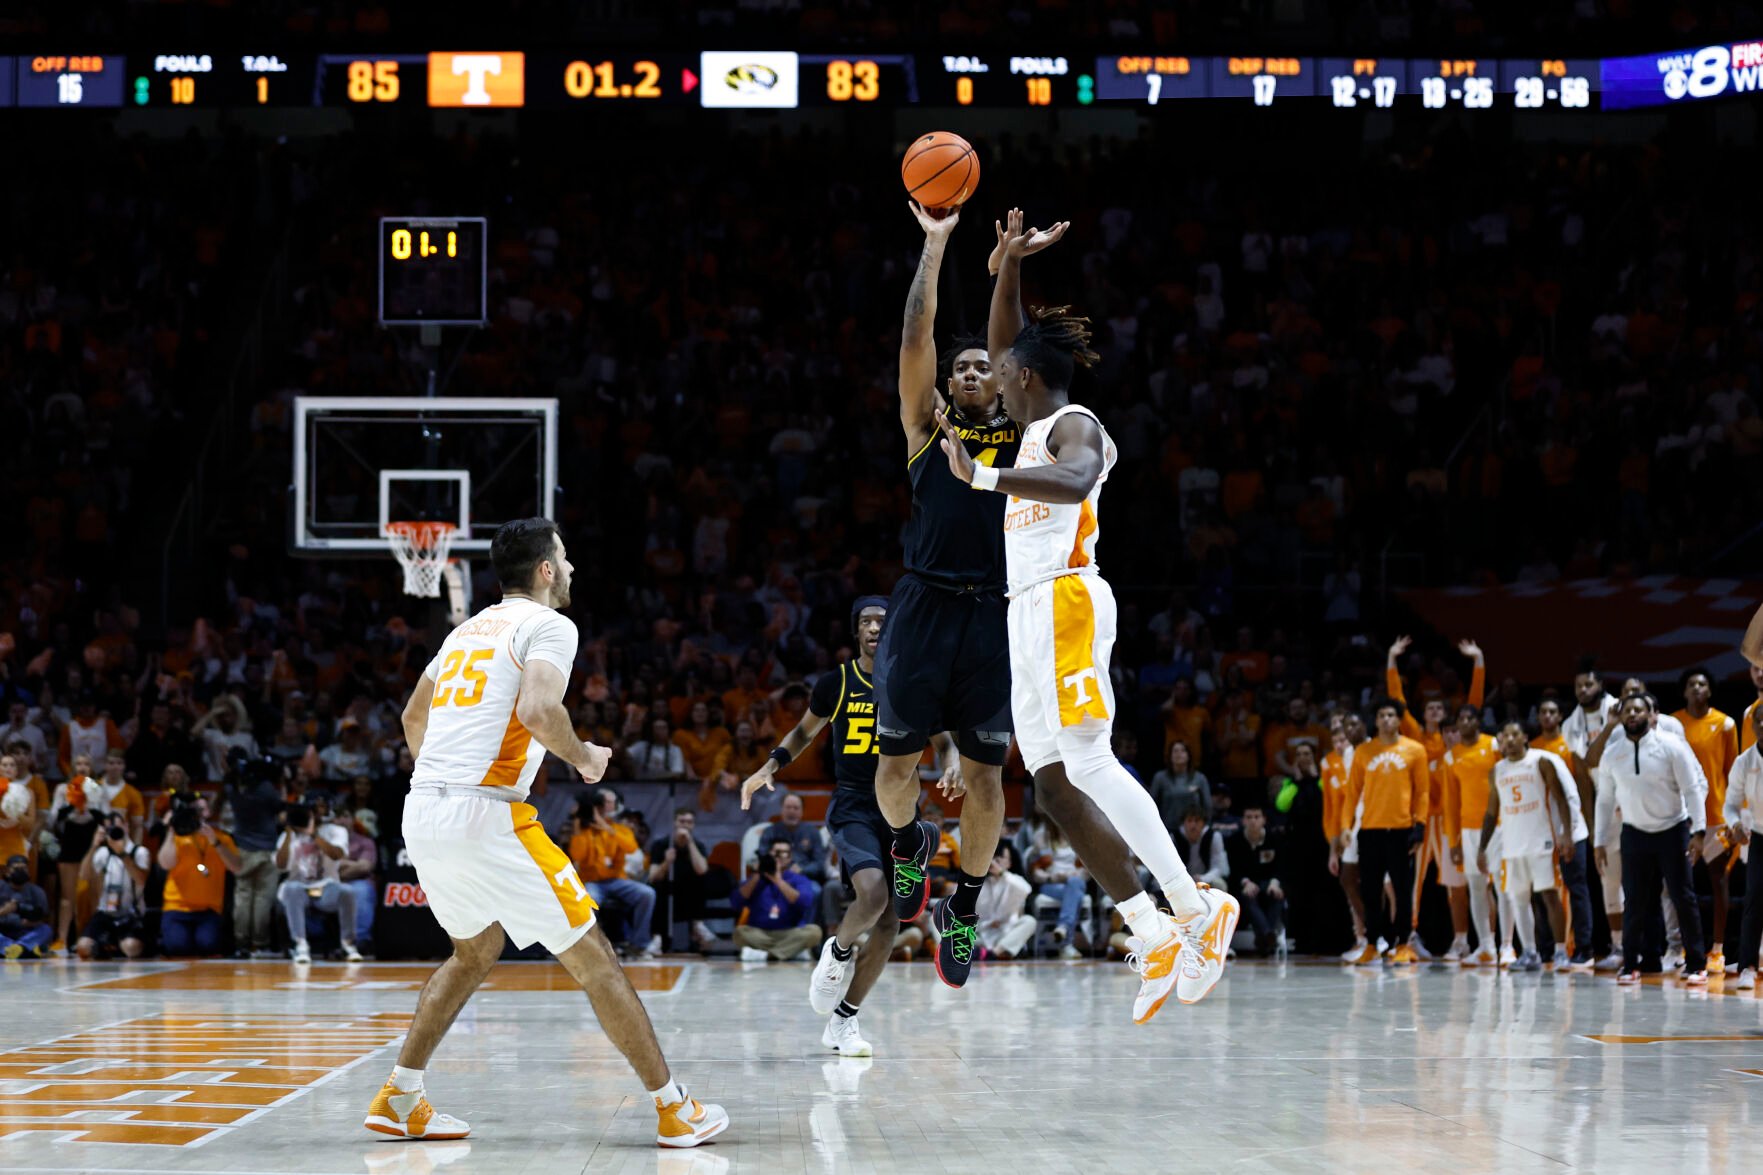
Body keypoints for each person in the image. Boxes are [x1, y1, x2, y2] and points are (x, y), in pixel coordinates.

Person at [929, 210, 1238, 1019]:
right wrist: (1004, 266)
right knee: (1056, 790)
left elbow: (1070, 485)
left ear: (1025, 379)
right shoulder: (1028, 420)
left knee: (1091, 762)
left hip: (1067, 598)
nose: (990, 378)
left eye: (1002, 374)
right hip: (1021, 612)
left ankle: (1196, 905)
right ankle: (1150, 927)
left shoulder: (1075, 427)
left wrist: (982, 481)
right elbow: (1008, 343)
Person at [367, 519, 727, 1147]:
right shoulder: (550, 625)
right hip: (488, 815)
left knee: (474, 952)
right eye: (565, 556)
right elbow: (538, 710)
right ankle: (675, 1110)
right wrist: (584, 756)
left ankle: (400, 1097)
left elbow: (411, 716)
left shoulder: (463, 632)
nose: (571, 568)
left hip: (423, 810)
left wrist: (447, 782)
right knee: (596, 960)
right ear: (545, 570)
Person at [872, 200, 1025, 991]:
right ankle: (907, 848)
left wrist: (1010, 270)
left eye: (980, 367)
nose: (967, 373)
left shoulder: (1024, 433)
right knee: (893, 774)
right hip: (925, 605)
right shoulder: (926, 429)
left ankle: (960, 905)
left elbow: (1017, 344)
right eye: (957, 367)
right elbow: (913, 339)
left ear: (997, 383)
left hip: (997, 612)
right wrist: (935, 246)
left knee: (990, 776)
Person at [742, 598, 956, 1057]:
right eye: (866, 621)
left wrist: (953, 764)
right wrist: (768, 768)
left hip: (900, 808)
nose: (875, 628)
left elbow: (943, 741)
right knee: (874, 894)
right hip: (855, 805)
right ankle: (837, 953)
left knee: (894, 919)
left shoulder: (913, 682)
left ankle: (845, 1020)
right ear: (856, 631)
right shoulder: (836, 682)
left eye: (882, 621)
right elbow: (802, 732)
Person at [1587, 694, 1710, 986]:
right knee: (1636, 901)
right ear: (1620, 716)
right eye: (1627, 710)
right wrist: (1600, 841)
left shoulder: (1671, 746)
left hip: (1673, 828)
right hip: (1634, 832)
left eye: (1638, 709)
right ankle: (1632, 964)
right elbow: (1604, 801)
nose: (1632, 714)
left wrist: (1699, 831)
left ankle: (1696, 963)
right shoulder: (1612, 753)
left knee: (1683, 897)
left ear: (1651, 715)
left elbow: (1692, 789)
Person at [1387, 636, 1485, 961]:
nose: (1434, 710)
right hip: (1419, 820)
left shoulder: (1454, 743)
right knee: (1413, 882)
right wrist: (1392, 659)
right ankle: (1410, 936)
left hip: (1448, 820)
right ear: (1423, 712)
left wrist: (1478, 661)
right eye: (1429, 707)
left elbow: (1475, 702)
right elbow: (1397, 700)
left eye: (1439, 708)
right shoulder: (1415, 737)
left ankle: (1461, 940)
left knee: (1455, 883)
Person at [1477, 723, 1573, 972]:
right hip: (1511, 845)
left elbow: (1561, 799)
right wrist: (1482, 847)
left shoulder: (1540, 761)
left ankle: (1560, 951)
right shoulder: (1497, 770)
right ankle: (1529, 952)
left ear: (1525, 737)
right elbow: (1490, 812)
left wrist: (1567, 835)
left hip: (1541, 841)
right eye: (1504, 735)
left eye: (1513, 734)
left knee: (1549, 895)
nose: (1508, 740)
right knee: (1518, 899)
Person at [1342, 698, 1429, 965]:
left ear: (1399, 719)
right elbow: (1353, 792)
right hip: (1370, 829)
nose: (1386, 719)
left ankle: (1403, 943)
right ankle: (1372, 944)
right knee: (1370, 891)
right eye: (1381, 715)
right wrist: (1346, 826)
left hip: (1401, 829)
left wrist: (1420, 826)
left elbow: (1422, 791)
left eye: (1391, 715)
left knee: (1402, 891)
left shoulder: (1414, 750)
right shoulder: (1364, 751)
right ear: (1376, 720)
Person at [1671, 667, 1738, 974]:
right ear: (1684, 691)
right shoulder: (1673, 724)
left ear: (1710, 690)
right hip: (1683, 819)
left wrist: (1736, 814)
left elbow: (1730, 772)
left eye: (1702, 684)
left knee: (1719, 880)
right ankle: (1685, 946)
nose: (1697, 688)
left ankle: (1718, 949)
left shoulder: (1725, 723)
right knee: (1681, 886)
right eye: (1691, 684)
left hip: (1716, 817)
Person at [1530, 699, 1595, 970]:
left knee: (1576, 890)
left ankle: (1584, 948)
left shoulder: (1564, 751)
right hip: (1543, 834)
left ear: (1560, 716)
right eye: (1542, 711)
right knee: (1543, 891)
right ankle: (1545, 949)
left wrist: (1570, 833)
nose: (1547, 715)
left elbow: (1573, 795)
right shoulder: (1531, 750)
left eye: (1552, 711)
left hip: (1570, 831)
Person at [1441, 705, 1502, 966]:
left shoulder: (1495, 746)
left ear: (1479, 721)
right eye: (1460, 719)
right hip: (1467, 830)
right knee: (1476, 888)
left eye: (1469, 718)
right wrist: (1453, 840)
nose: (1465, 722)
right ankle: (1486, 947)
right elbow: (1450, 804)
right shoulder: (1451, 758)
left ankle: (1507, 945)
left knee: (1503, 887)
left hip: (1498, 825)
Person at [570, 788, 657, 959]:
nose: (609, 806)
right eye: (606, 803)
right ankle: (589, 947)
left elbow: (631, 848)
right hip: (593, 882)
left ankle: (638, 944)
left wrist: (606, 828)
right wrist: (578, 829)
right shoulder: (585, 831)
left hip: (617, 880)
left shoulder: (619, 829)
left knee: (647, 894)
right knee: (587, 900)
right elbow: (577, 855)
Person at [276, 802, 364, 965]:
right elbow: (280, 865)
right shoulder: (288, 836)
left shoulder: (336, 831)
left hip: (325, 887)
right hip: (299, 888)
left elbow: (337, 854)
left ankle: (348, 945)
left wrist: (313, 835)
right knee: (291, 888)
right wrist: (289, 833)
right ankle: (300, 945)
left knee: (347, 892)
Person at [157, 794, 241, 957]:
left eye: (202, 809)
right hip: (177, 907)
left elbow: (236, 867)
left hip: (208, 909)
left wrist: (215, 842)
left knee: (208, 945)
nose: (199, 814)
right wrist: (171, 829)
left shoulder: (222, 838)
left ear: (208, 812)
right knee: (177, 947)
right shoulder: (177, 838)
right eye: (195, 810)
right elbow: (165, 864)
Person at [1322, 715, 1372, 960]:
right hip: (1353, 825)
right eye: (1338, 736)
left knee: (1384, 884)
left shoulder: (1374, 748)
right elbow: (1340, 804)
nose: (1342, 740)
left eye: (1348, 731)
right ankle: (1365, 937)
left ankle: (1393, 938)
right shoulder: (1339, 759)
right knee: (1348, 879)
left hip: (1377, 821)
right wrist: (1341, 834)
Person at [1723, 705, 1763, 988]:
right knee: (1754, 899)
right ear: (1753, 726)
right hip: (1760, 834)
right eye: (1759, 721)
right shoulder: (1744, 761)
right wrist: (1735, 824)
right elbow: (1731, 804)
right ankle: (1748, 965)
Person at [647, 808, 724, 954]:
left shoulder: (698, 845)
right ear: (674, 823)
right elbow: (653, 876)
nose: (685, 825)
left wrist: (690, 843)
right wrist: (667, 862)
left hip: (689, 891)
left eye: (689, 822)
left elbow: (702, 869)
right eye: (682, 821)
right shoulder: (661, 844)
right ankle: (657, 938)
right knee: (655, 889)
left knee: (701, 881)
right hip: (667, 889)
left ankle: (698, 925)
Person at [732, 840, 822, 963]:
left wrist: (778, 880)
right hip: (760, 933)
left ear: (790, 858)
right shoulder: (756, 878)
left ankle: (766, 955)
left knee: (814, 932)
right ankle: (790, 952)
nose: (779, 857)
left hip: (789, 933)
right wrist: (757, 875)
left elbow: (804, 903)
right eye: (776, 853)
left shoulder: (798, 879)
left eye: (784, 853)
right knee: (739, 933)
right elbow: (736, 902)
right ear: (769, 855)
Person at [75, 815, 149, 960]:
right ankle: (109, 944)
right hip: (106, 912)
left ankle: (113, 945)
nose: (114, 831)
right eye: (109, 828)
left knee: (131, 948)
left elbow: (141, 880)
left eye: (117, 827)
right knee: (83, 947)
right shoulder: (103, 853)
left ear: (126, 826)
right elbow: (84, 875)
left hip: (130, 913)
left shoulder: (139, 852)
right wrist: (94, 845)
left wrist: (121, 853)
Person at [1227, 803, 1287, 956]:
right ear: (1243, 821)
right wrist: (1245, 882)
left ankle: (1264, 937)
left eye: (1256, 817)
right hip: (1246, 886)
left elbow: (1281, 866)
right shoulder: (1235, 841)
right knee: (1248, 896)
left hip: (1268, 884)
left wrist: (1275, 882)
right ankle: (1268, 934)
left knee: (1278, 895)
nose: (1253, 821)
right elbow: (1233, 869)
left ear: (1264, 820)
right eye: (1249, 817)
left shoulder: (1274, 839)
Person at [1028, 820, 1092, 959]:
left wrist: (1073, 875)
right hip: (1051, 884)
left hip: (1076, 881)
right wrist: (1051, 877)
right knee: (1076, 895)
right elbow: (1035, 870)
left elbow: (1088, 870)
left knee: (1074, 884)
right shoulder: (1042, 837)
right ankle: (1066, 944)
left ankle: (1063, 929)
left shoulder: (1079, 838)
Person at [976, 843, 1036, 960]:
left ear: (1009, 863)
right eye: (992, 859)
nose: (994, 862)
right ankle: (988, 953)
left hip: (1006, 934)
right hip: (981, 936)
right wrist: (986, 924)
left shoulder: (1014, 880)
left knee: (1029, 921)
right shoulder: (978, 884)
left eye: (999, 859)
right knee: (948, 923)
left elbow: (1026, 890)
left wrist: (1002, 873)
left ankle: (994, 954)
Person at [760, 792, 827, 884]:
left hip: (805, 878)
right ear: (781, 810)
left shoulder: (812, 832)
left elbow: (819, 864)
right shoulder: (770, 832)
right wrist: (781, 868)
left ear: (802, 811)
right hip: (775, 878)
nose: (791, 811)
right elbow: (762, 857)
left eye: (796, 808)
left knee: (815, 891)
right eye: (788, 807)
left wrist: (803, 870)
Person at [1147, 740, 1211, 835]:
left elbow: (1207, 806)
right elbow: (1151, 805)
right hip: (1167, 830)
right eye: (1175, 751)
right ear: (1170, 756)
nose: (1179, 754)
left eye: (1183, 750)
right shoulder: (1160, 777)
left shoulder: (1200, 778)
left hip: (1193, 831)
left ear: (1188, 755)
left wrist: (1205, 829)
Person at [0, 852, 52, 958]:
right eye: (16, 868)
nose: (20, 871)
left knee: (46, 929)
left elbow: (43, 916)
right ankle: (17, 948)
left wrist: (31, 921)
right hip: (3, 931)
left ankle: (19, 947)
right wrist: (3, 911)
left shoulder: (37, 891)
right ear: (7, 871)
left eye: (23, 868)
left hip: (26, 931)